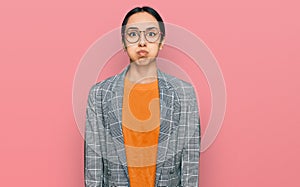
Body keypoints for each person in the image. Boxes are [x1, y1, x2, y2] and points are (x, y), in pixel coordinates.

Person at [84, 6, 201, 187]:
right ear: (124, 42)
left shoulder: (184, 94)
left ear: (161, 41)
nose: (142, 42)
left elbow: (190, 168)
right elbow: (93, 168)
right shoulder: (99, 95)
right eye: (133, 34)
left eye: (151, 34)